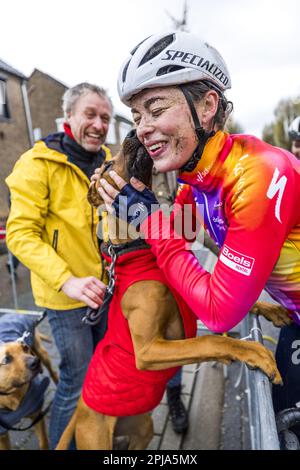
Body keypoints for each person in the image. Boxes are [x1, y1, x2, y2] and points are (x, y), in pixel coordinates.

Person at [96, 32, 300, 440]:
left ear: (207, 106)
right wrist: (125, 218)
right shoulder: (196, 182)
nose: (142, 130)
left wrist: (148, 218)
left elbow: (219, 313)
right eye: (136, 117)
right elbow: (176, 240)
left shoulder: (257, 173)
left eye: (155, 109)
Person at [5, 82, 112, 448]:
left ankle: (94, 436)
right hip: (66, 300)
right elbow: (20, 234)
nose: (99, 124)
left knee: (101, 371)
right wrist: (67, 280)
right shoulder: (36, 164)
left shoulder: (108, 162)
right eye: (91, 114)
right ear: (68, 116)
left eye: (106, 118)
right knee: (75, 380)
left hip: (104, 291)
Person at [152, 168, 188, 433]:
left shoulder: (182, 166)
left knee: (176, 339)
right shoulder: (134, 167)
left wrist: (226, 250)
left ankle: (174, 398)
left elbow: (189, 225)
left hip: (175, 269)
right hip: (145, 274)